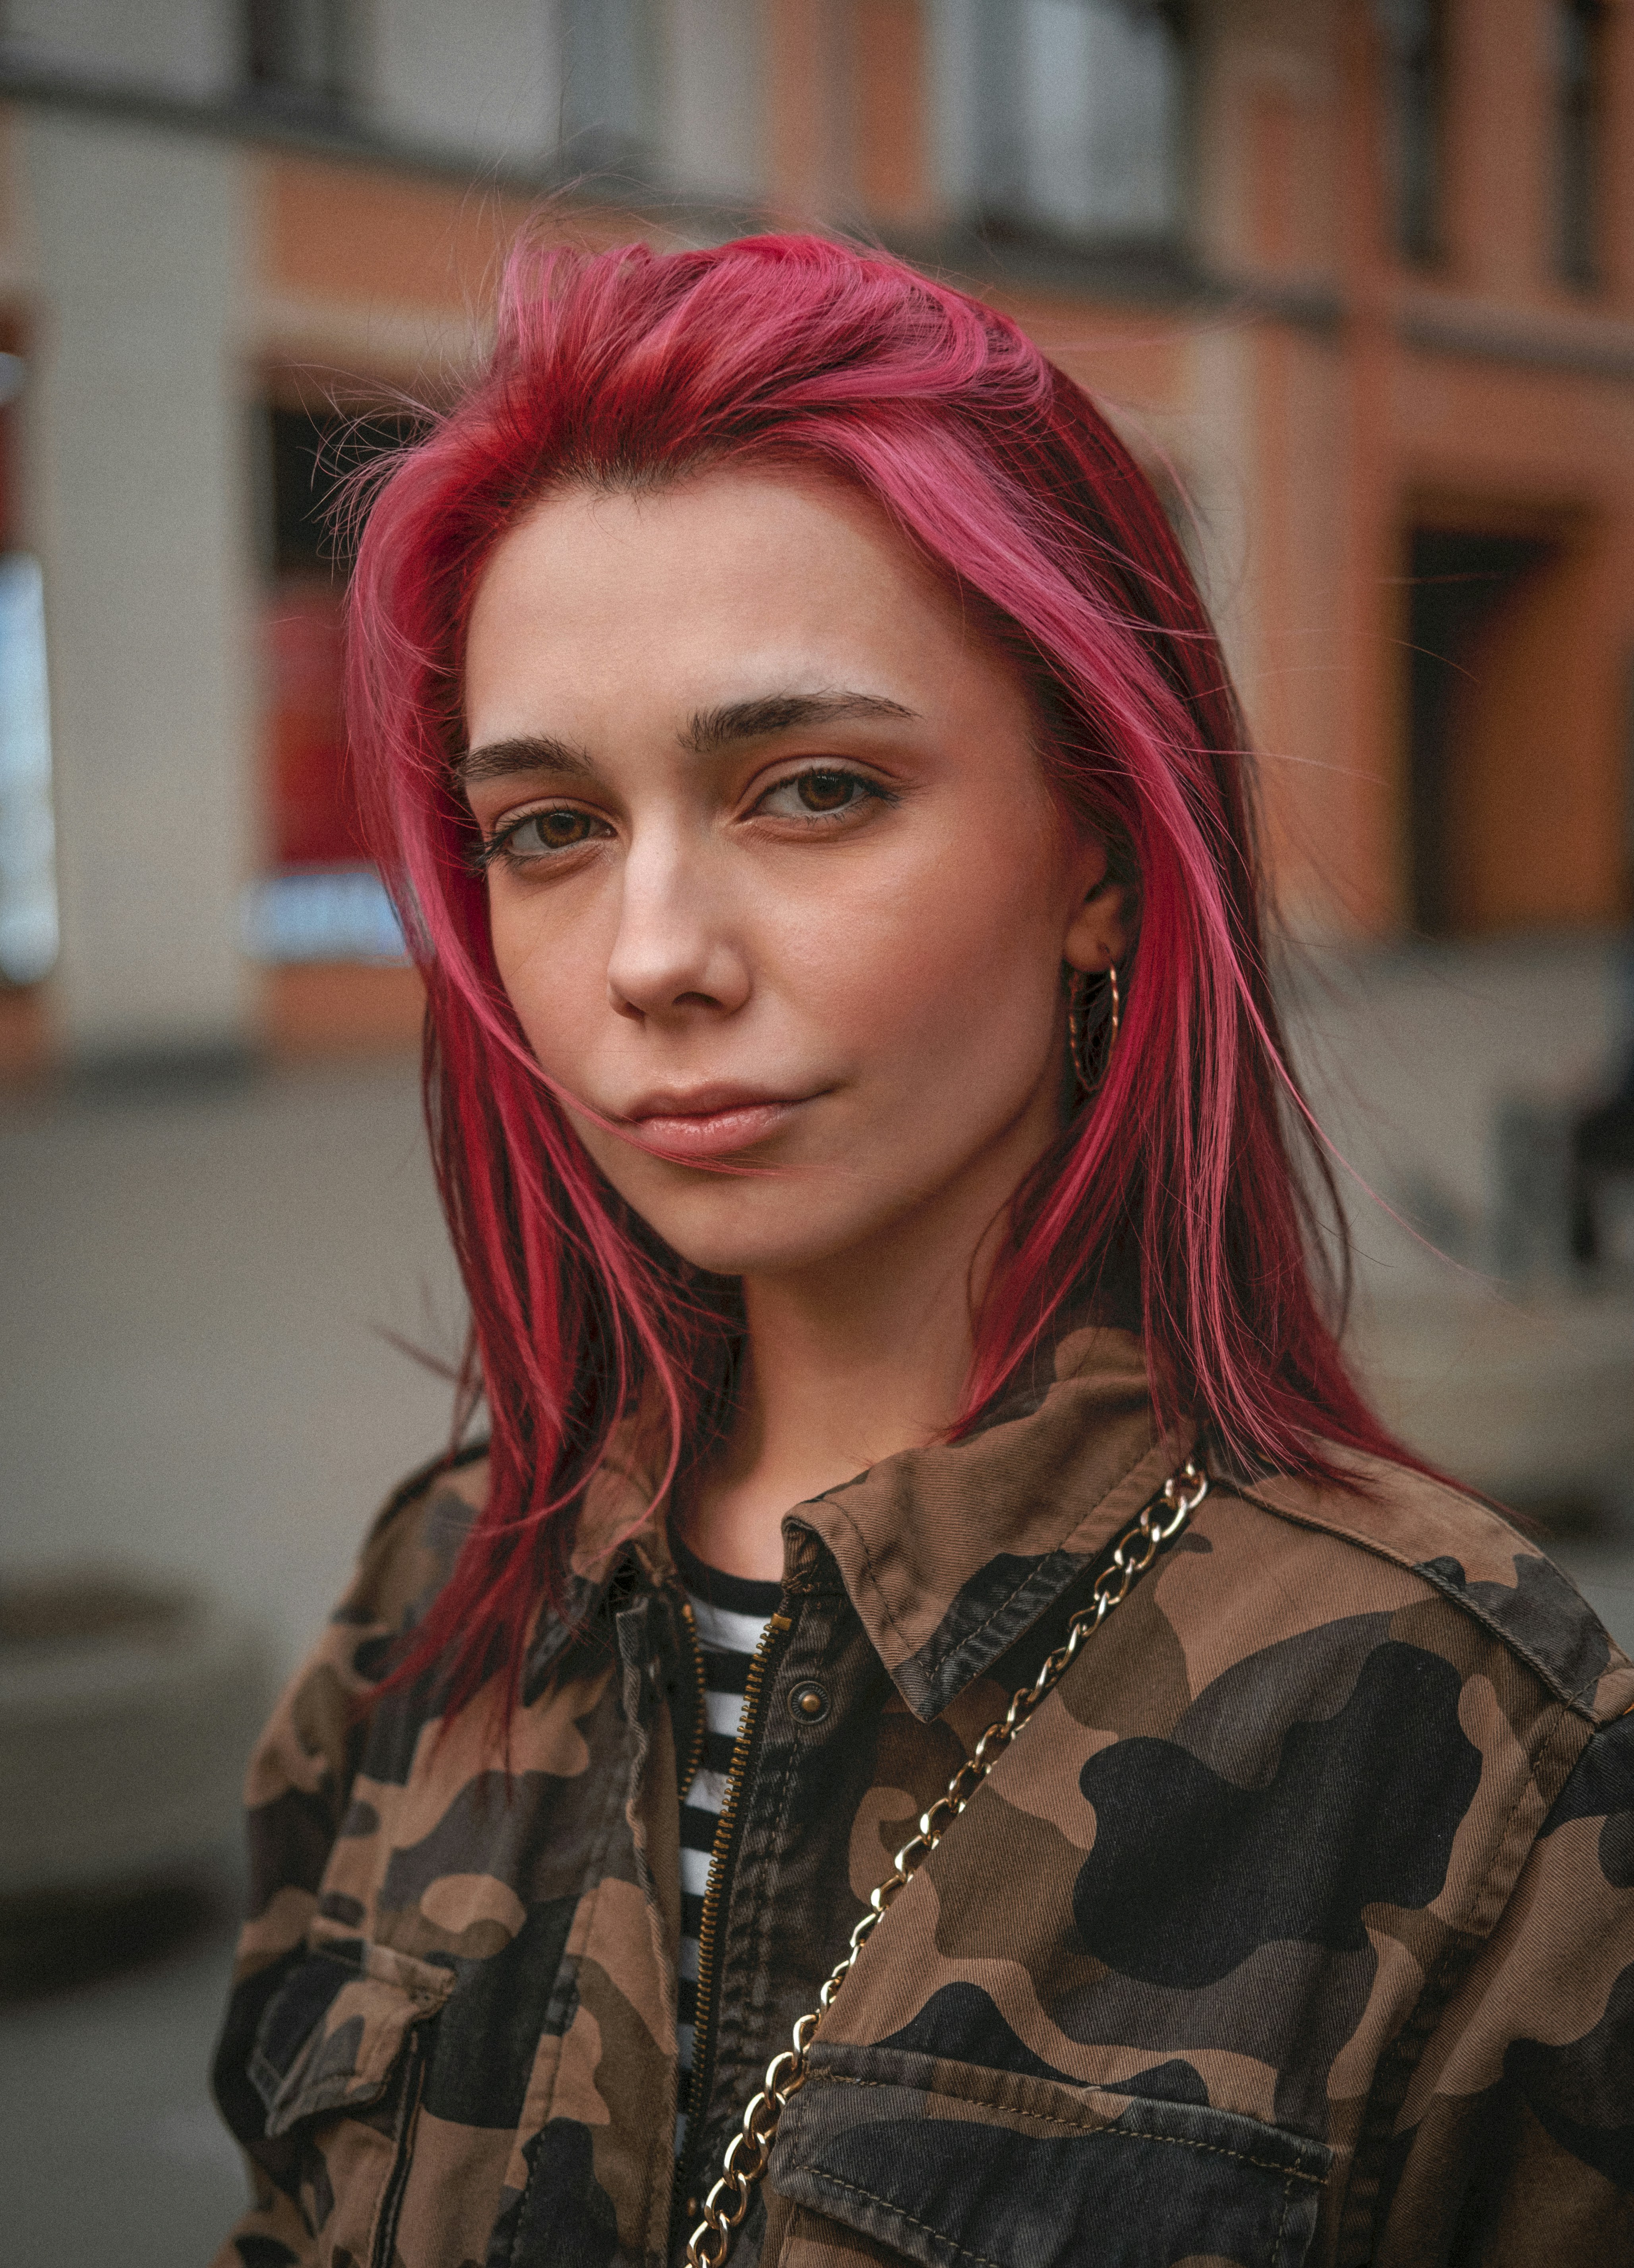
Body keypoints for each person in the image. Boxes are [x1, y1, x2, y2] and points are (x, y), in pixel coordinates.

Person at [210, 236, 1634, 2268]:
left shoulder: (1473, 1748)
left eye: (810, 790)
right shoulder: (430, 1607)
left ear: (1102, 859)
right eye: (547, 826)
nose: (650, 958)